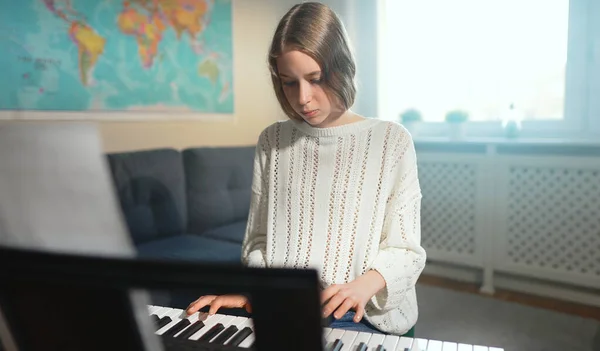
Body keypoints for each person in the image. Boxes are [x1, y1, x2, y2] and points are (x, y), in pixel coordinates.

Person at [186, 1, 426, 336]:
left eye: (315, 79)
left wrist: (362, 286)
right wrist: (257, 293)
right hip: (286, 306)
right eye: (289, 82)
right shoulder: (272, 141)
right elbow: (258, 240)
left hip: (363, 314)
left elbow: (406, 250)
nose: (303, 98)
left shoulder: (391, 141)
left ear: (342, 67)